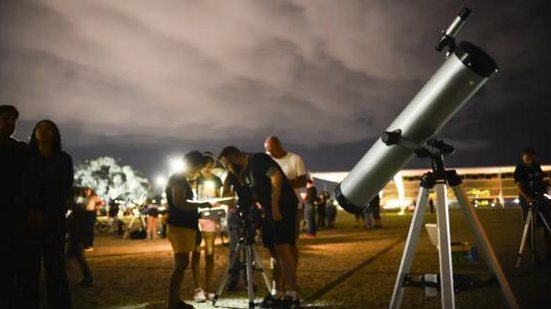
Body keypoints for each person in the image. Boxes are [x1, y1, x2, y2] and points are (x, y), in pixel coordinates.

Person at [219, 146, 300, 308]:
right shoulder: (246, 172)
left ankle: (292, 294)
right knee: (273, 249)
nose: (226, 168)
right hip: (269, 210)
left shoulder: (257, 160)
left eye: (226, 164)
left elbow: (276, 176)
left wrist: (275, 205)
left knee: (283, 248)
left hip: (283, 206)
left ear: (233, 157)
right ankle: (277, 291)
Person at [20, 120, 74, 309]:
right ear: (34, 133)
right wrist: (31, 211)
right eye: (40, 128)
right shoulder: (25, 158)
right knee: (30, 269)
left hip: (54, 220)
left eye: (48, 128)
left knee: (56, 269)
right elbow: (21, 188)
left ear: (55, 134)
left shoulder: (63, 159)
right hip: (29, 220)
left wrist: (50, 212)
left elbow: (65, 189)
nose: (44, 131)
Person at [166, 151, 212, 309]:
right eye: (198, 168)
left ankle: (175, 301)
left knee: (181, 263)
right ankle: (172, 303)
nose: (198, 172)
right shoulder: (178, 179)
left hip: (183, 226)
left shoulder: (180, 179)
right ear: (194, 165)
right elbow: (179, 202)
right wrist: (200, 204)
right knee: (180, 264)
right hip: (180, 227)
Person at [0, 105, 27, 308]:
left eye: (12, 120)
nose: (10, 123)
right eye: (5, 118)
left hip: (16, 216)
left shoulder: (20, 150)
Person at [191, 156, 223, 302]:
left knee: (210, 253)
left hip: (210, 216)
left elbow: (219, 196)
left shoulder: (216, 180)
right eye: (206, 166)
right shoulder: (195, 178)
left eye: (211, 166)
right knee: (196, 252)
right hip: (196, 216)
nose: (208, 169)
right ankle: (198, 288)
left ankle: (209, 287)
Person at [513, 147, 551, 260]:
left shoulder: (536, 167)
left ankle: (549, 250)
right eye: (527, 159)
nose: (529, 162)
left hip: (539, 200)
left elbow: (541, 180)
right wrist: (528, 198)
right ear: (523, 158)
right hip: (527, 202)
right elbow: (519, 186)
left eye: (531, 159)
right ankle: (534, 253)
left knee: (546, 225)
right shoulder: (520, 168)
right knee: (530, 227)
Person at [66, 188, 93, 286]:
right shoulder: (75, 207)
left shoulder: (75, 208)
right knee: (75, 257)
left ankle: (81, 277)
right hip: (76, 236)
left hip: (76, 236)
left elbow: (77, 223)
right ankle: (84, 277)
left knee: (74, 257)